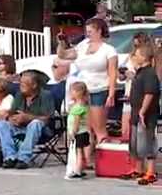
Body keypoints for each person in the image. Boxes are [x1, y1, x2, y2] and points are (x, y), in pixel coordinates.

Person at [57, 18, 117, 146]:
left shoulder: (109, 50)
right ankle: (87, 159)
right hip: (81, 92)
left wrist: (111, 94)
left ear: (99, 31)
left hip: (99, 89)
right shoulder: (82, 46)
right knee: (84, 127)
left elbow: (113, 73)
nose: (87, 33)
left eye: (90, 31)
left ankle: (103, 158)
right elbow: (63, 55)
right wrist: (62, 42)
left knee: (98, 126)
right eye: (87, 31)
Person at [0, 71, 55, 169]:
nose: (20, 86)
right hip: (20, 127)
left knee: (36, 123)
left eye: (23, 84)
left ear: (34, 85)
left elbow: (48, 119)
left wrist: (27, 117)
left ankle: (23, 158)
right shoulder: (19, 95)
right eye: (20, 83)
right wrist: (12, 119)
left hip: (41, 131)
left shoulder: (45, 95)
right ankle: (10, 157)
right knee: (2, 124)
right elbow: (11, 113)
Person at [121, 45, 160, 185]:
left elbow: (149, 93)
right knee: (135, 142)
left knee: (148, 141)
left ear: (143, 57)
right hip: (135, 112)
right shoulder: (140, 72)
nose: (134, 57)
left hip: (147, 115)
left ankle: (150, 172)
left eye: (136, 55)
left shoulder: (149, 73)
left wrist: (143, 111)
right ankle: (138, 169)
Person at [120, 33, 153, 141]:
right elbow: (121, 76)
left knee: (138, 123)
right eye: (134, 45)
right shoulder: (129, 57)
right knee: (125, 121)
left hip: (140, 94)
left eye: (138, 45)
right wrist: (123, 75)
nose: (135, 48)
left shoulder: (149, 59)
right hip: (129, 91)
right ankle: (127, 145)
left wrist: (134, 76)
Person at [65, 82, 91, 180]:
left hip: (78, 133)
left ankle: (77, 171)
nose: (70, 94)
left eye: (71, 92)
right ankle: (82, 168)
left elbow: (76, 122)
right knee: (82, 152)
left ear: (77, 93)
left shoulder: (77, 108)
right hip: (84, 132)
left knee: (78, 152)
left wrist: (73, 133)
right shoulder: (83, 106)